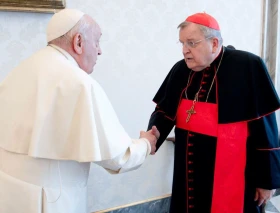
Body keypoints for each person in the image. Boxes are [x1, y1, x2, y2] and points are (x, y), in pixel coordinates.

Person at [0, 9, 159, 213]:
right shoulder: (79, 83)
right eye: (97, 42)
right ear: (78, 42)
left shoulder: (21, 69)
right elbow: (119, 157)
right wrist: (146, 144)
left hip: (9, 193)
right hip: (50, 201)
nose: (99, 51)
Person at [147, 12, 280, 213]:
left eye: (192, 43)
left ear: (215, 43)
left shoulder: (247, 66)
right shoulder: (181, 70)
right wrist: (153, 134)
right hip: (189, 175)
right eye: (182, 43)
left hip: (235, 176)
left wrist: (267, 181)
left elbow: (266, 131)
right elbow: (164, 112)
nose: (185, 50)